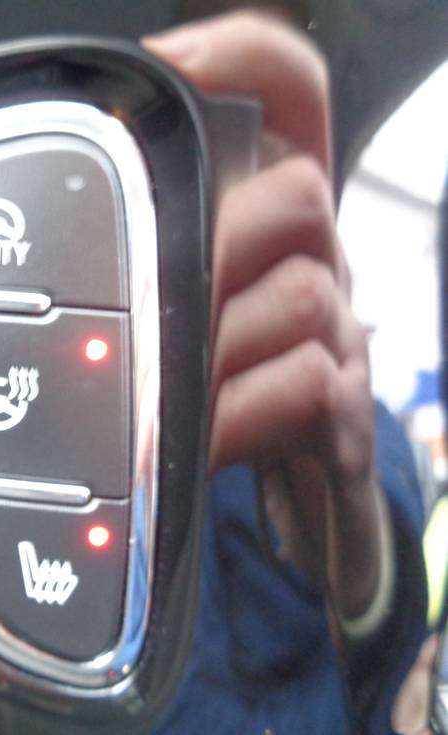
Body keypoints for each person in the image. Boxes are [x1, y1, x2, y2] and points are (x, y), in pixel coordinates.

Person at [141, 11, 429, 733]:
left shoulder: (358, 428)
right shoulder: (94, 394)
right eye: (208, 129)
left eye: (260, 143)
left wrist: (357, 563)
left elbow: (390, 682)